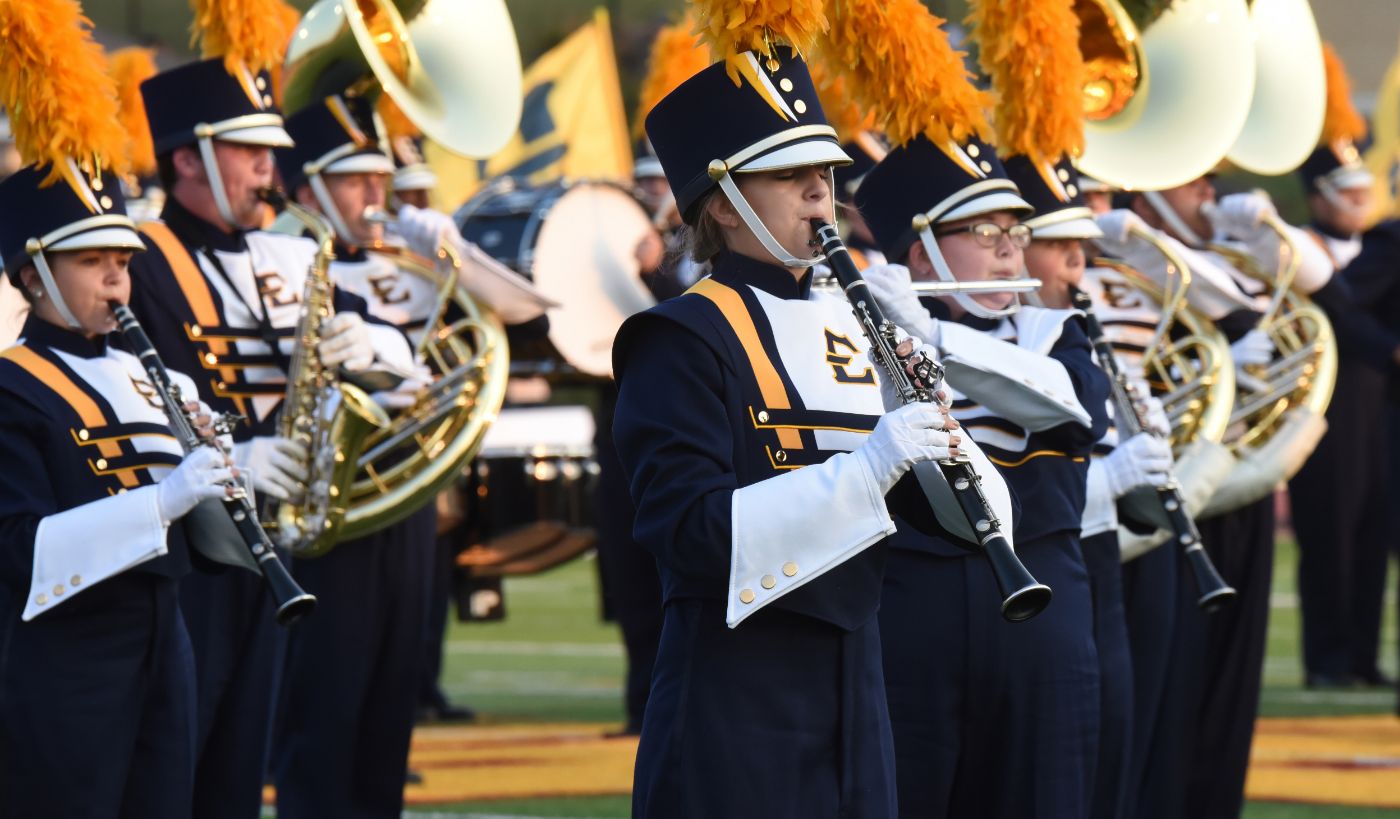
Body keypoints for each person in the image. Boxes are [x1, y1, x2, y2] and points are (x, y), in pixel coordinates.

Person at [617, 50, 968, 819]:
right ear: (721, 204)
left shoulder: (855, 323)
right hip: (735, 689)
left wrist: (946, 434)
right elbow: (688, 530)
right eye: (788, 172)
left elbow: (960, 523)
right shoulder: (677, 336)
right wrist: (870, 464)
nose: (821, 189)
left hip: (860, 679)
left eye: (826, 170)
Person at [125, 57, 415, 818]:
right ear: (186, 158)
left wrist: (375, 347)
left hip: (278, 547)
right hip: (191, 554)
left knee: (241, 768)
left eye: (271, 148)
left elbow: (400, 353)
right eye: (247, 149)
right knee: (178, 761)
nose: (269, 165)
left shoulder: (295, 251)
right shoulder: (140, 256)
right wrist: (229, 459)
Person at [856, 136, 1110, 818]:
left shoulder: (1055, 331)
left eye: (1015, 231)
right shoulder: (858, 336)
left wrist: (935, 340)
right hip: (910, 602)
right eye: (984, 230)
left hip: (1044, 600)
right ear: (921, 252)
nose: (1008, 248)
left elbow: (1072, 405)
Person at [0, 161, 236, 816]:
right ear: (33, 272)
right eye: (91, 260)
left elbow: (196, 534)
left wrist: (218, 477)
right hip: (65, 655)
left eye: (123, 260)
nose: (116, 278)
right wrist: (162, 500)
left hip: (167, 633)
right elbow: (19, 548)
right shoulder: (10, 384)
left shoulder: (146, 375)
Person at [267, 92, 440, 817]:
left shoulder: (409, 260)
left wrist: (448, 240)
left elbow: (528, 313)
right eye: (354, 178)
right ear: (308, 189)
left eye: (381, 176)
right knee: (326, 716)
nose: (378, 192)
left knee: (389, 709)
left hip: (404, 497)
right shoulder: (285, 262)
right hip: (329, 507)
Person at [1006, 154, 1177, 819]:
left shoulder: (1074, 323)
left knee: (1113, 753)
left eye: (1080, 243)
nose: (1078, 261)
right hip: (1038, 572)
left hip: (1100, 554)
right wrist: (1107, 480)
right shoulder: (987, 336)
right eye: (1056, 243)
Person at [1288, 137, 1398, 689]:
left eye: (1363, 189)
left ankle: (1361, 656)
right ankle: (1327, 659)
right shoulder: (1304, 248)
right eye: (1345, 191)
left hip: (1378, 407)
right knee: (1329, 529)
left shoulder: (1375, 243)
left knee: (1373, 531)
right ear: (1318, 197)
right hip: (1330, 406)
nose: (1359, 200)